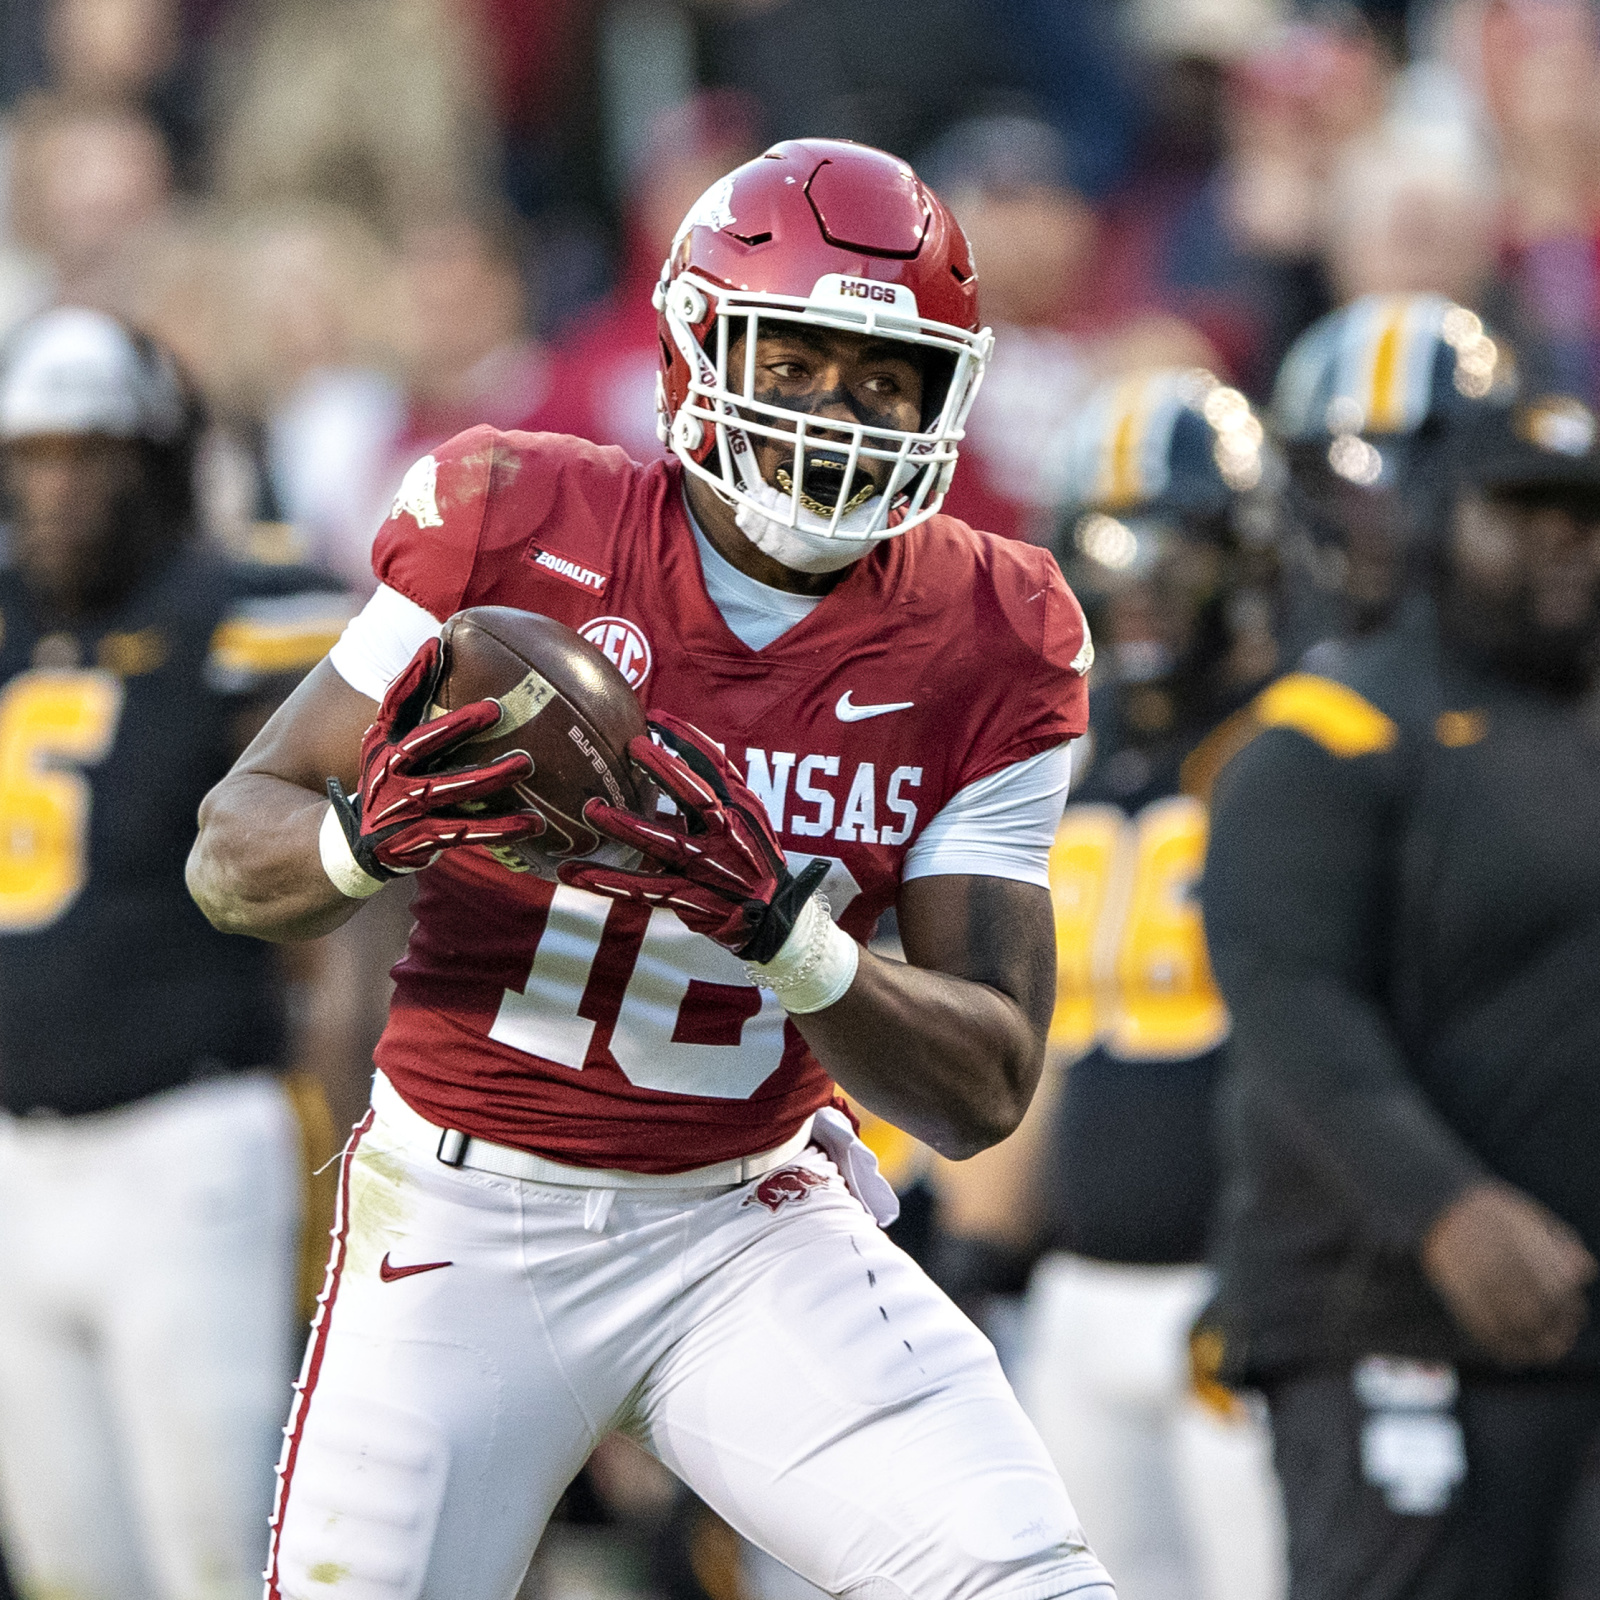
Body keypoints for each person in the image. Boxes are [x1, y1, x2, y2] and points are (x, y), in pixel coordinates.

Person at [186, 137, 1114, 1600]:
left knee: (1024, 1581)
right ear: (696, 344)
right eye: (800, 356)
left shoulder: (991, 630)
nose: (840, 413)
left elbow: (984, 1087)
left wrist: (784, 933)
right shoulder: (521, 521)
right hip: (465, 1219)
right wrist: (364, 839)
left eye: (888, 378)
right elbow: (231, 856)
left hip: (746, 1217)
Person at [1199, 380, 1600, 1596]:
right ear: (1434, 522)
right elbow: (1288, 997)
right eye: (1521, 512)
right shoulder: (1330, 727)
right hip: (1380, 1315)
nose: (1564, 545)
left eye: (1585, 517)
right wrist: (1443, 1209)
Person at [0, 307, 356, 1600]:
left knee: (220, 1548)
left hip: (187, 1139)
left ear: (156, 464)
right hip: (15, 1159)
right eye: (32, 456)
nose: (57, 489)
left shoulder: (240, 612)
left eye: (89, 455)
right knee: (70, 1565)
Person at [935, 369, 1287, 1600]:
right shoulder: (1063, 760)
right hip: (1081, 1288)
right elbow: (1041, 1041)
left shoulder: (1294, 744)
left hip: (1236, 1276)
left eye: (1169, 546)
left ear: (1245, 551)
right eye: (1103, 543)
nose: (1133, 577)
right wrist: (972, 1257)